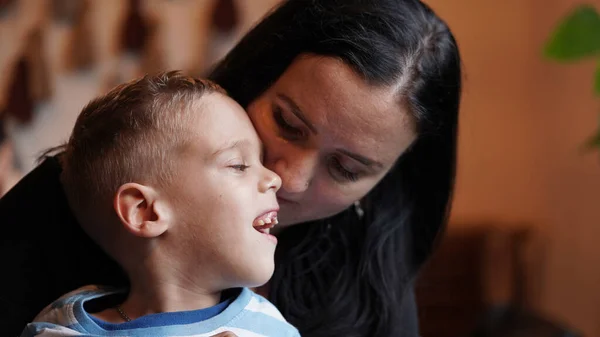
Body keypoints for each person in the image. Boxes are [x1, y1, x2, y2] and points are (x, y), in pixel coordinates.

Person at [0, 0, 462, 336]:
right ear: (255, 80)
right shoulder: (70, 203)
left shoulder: (368, 292)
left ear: (382, 184)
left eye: (345, 168)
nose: (289, 178)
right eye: (287, 123)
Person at [20, 72, 300, 337]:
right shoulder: (62, 329)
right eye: (238, 165)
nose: (274, 178)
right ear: (145, 210)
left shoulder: (272, 328)